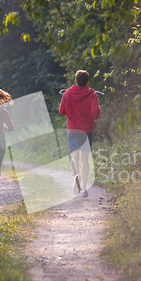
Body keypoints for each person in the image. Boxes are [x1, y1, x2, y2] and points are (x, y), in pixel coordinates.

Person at [59, 70, 101, 198]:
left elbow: (61, 111)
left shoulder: (67, 93)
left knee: (74, 157)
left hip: (73, 130)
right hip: (87, 130)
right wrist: (97, 111)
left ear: (75, 81)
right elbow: (95, 112)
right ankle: (83, 188)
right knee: (85, 159)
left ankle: (75, 174)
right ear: (87, 81)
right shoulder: (92, 95)